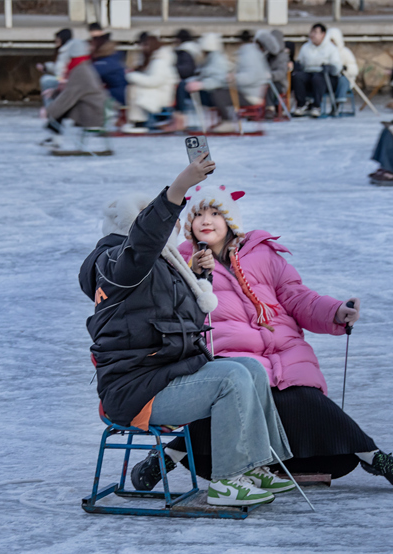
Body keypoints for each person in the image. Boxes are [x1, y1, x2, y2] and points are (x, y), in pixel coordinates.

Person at [134, 184, 393, 491]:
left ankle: (372, 456)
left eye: (215, 213)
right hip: (230, 354)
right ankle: (168, 456)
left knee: (302, 399)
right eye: (198, 214)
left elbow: (297, 297)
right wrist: (194, 276)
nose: (206, 220)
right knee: (229, 397)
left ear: (230, 219)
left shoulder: (263, 255)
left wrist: (336, 312)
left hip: (284, 353)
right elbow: (175, 312)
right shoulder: (179, 263)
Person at [79, 156, 294, 507]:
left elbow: (182, 323)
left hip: (163, 375)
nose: (174, 224)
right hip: (137, 392)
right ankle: (227, 482)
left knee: (250, 369)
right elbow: (143, 241)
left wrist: (197, 277)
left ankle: (254, 466)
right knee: (230, 379)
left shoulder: (155, 267)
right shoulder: (118, 260)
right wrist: (180, 186)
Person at [43, 40, 106, 147]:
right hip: (93, 108)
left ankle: (55, 136)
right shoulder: (83, 66)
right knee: (61, 107)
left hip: (93, 114)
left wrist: (48, 111)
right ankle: (55, 135)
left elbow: (69, 94)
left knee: (62, 108)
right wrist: (54, 92)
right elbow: (71, 89)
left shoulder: (80, 70)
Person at [182, 33, 243, 134]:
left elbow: (218, 80)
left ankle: (180, 117)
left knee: (184, 88)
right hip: (211, 91)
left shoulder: (217, 61)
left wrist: (201, 85)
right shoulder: (211, 59)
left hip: (214, 93)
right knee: (183, 86)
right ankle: (180, 117)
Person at [122, 36, 178, 133]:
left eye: (145, 45)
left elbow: (154, 81)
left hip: (161, 93)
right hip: (158, 90)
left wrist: (132, 76)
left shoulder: (160, 62)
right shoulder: (156, 59)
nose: (142, 48)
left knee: (134, 90)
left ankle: (139, 122)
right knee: (133, 89)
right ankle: (138, 121)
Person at [291, 23, 342, 118]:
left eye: (315, 32)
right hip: (309, 73)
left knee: (318, 78)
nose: (312, 35)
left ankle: (316, 106)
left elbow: (337, 67)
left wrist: (329, 68)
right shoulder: (305, 47)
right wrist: (297, 66)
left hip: (326, 77)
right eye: (311, 32)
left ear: (323, 34)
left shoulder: (331, 48)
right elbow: (301, 63)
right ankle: (301, 105)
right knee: (298, 77)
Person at [89, 26, 127, 106]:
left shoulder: (105, 62)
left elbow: (89, 73)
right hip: (119, 93)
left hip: (116, 96)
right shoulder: (113, 57)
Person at [255, 29, 289, 117]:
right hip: (266, 80)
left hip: (279, 83)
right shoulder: (267, 55)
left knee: (269, 87)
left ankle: (270, 108)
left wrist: (271, 75)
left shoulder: (283, 56)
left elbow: (282, 73)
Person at [36, 29, 74, 109]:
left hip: (66, 80)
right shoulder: (62, 51)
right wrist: (45, 67)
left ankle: (49, 108)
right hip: (61, 78)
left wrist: (46, 67)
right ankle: (50, 106)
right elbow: (58, 68)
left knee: (45, 80)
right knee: (47, 80)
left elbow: (61, 68)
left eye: (58, 39)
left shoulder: (67, 52)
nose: (55, 41)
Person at [234, 30, 271, 111]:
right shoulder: (257, 52)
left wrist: (234, 78)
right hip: (257, 92)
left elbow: (250, 77)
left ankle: (227, 117)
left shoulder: (247, 55)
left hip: (250, 94)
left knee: (221, 95)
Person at [326, 28, 359, 105]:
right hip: (329, 78)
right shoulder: (325, 52)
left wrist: (346, 68)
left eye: (333, 41)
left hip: (344, 78)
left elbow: (354, 69)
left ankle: (339, 99)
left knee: (342, 80)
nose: (331, 43)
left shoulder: (345, 52)